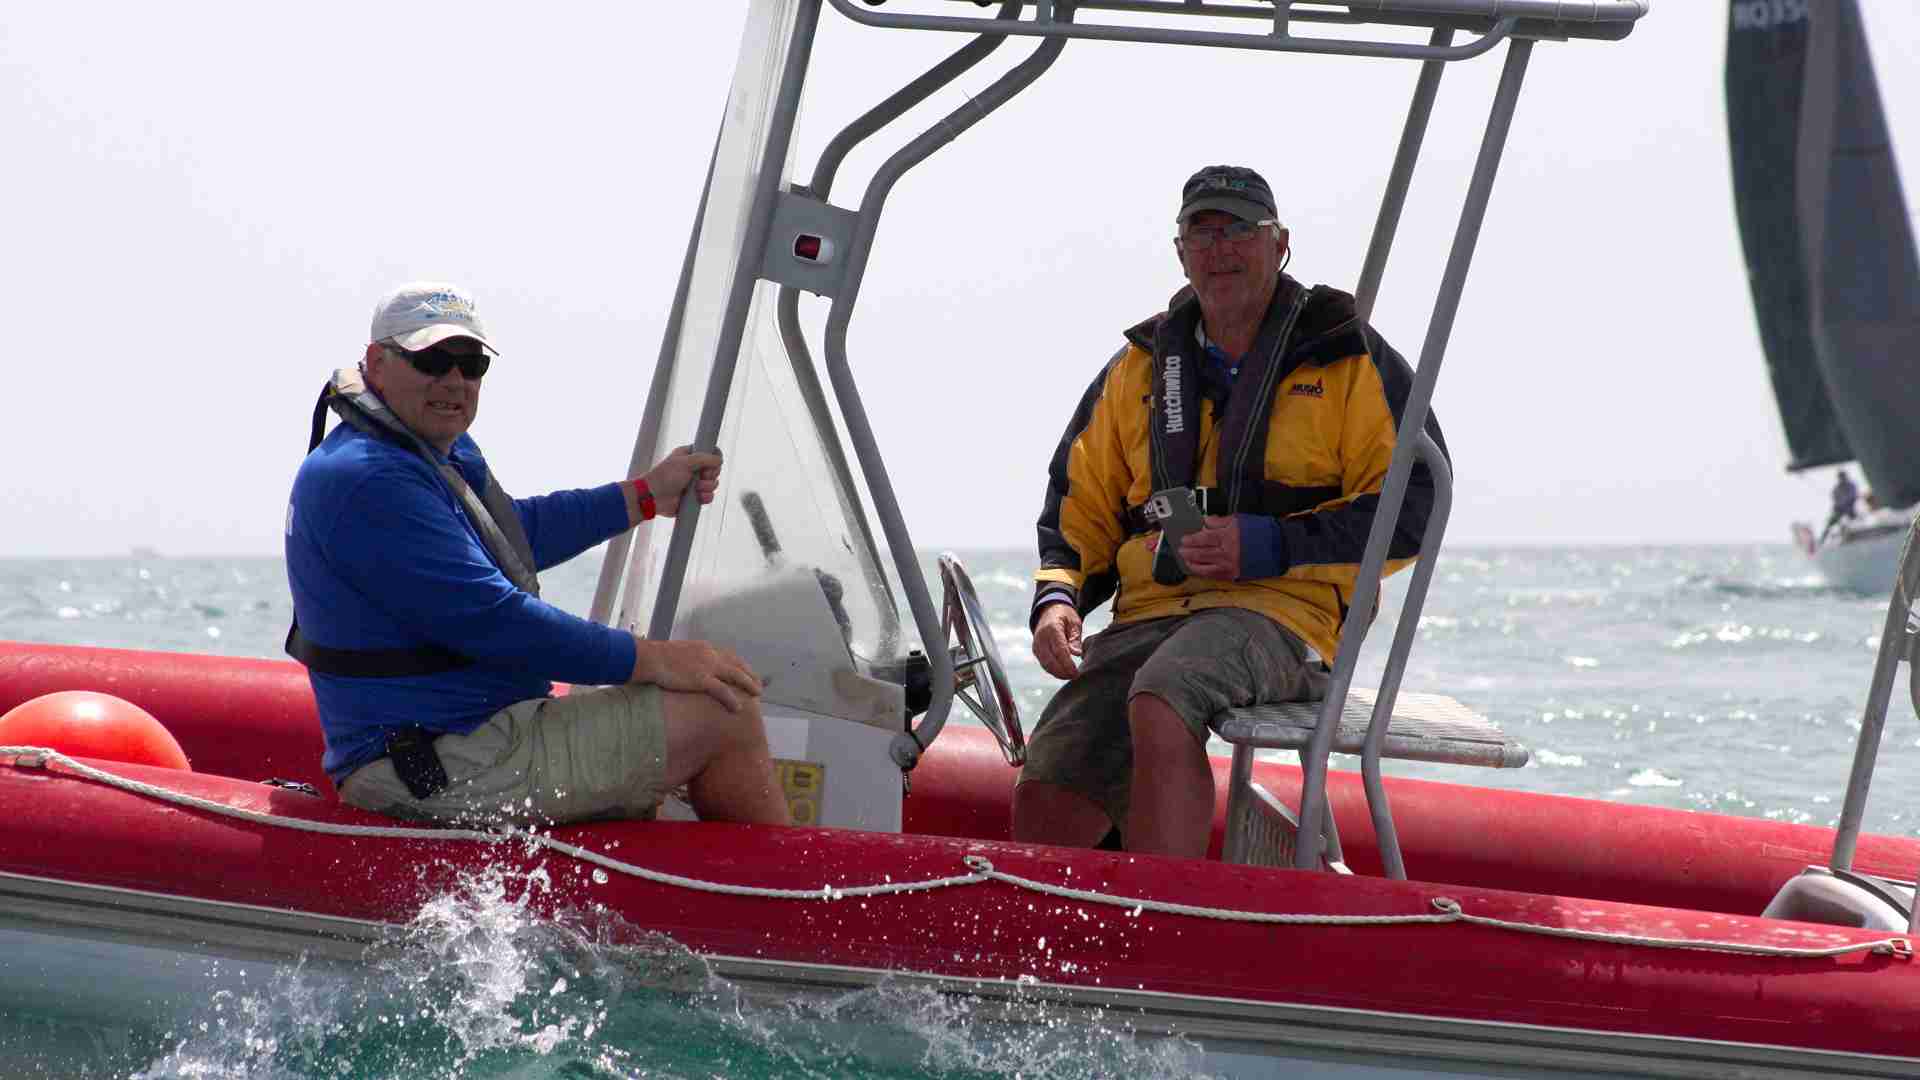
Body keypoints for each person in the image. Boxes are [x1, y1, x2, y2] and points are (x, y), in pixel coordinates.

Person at [1018, 166, 1447, 858]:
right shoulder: (1138, 366)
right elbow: (1079, 502)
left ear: (1278, 244)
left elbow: (1416, 505)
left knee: (1163, 695)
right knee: (1054, 775)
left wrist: (1274, 543)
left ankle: (1170, 921)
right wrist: (1058, 597)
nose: (1220, 248)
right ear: (1180, 251)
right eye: (1203, 231)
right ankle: (1064, 948)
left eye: (1238, 230)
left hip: (1290, 614)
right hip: (1153, 612)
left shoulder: (1349, 356)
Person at [285, 281, 790, 829]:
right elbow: (498, 621)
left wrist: (644, 496)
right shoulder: (371, 478)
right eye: (432, 360)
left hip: (475, 733)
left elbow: (508, 536)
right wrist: (660, 660)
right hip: (440, 761)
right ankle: (792, 907)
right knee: (723, 713)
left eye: (471, 363)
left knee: (678, 746)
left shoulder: (424, 452)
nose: (454, 381)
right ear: (377, 363)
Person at [1827, 470, 1860, 536]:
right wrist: (1838, 504)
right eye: (1840, 477)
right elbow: (1835, 498)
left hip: (1850, 507)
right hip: (1840, 509)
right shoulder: (1837, 488)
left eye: (1843, 477)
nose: (1842, 479)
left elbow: (1854, 496)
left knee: (1854, 519)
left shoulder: (1851, 485)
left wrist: (1846, 502)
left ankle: (1853, 529)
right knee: (1831, 522)